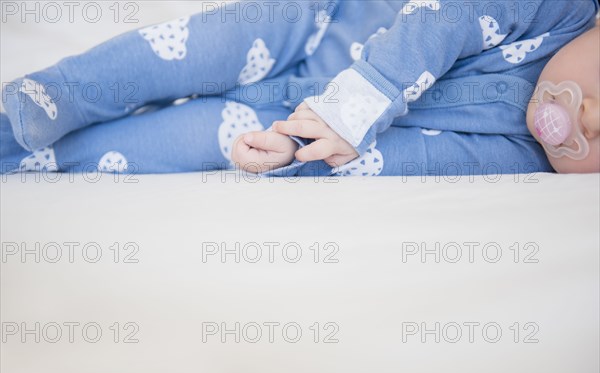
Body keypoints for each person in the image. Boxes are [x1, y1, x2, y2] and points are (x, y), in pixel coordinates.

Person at [1, 0, 598, 177]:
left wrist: (300, 153)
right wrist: (352, 105)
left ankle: (30, 157)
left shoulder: (524, 159)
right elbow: (443, 22)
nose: (591, 120)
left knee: (169, 147)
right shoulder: (560, 11)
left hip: (290, 122)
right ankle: (57, 95)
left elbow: (409, 160)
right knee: (180, 54)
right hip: (310, 32)